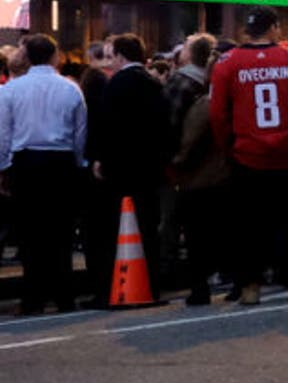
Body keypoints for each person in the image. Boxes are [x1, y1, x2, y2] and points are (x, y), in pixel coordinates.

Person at [211, 6, 288, 305]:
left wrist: (227, 148)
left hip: (248, 155)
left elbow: (219, 114)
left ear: (247, 31)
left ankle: (251, 288)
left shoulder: (228, 64)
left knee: (249, 227)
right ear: (274, 28)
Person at [0, 34, 88, 314]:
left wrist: (4, 167)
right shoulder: (71, 89)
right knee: (60, 232)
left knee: (29, 235)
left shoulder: (11, 90)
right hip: (61, 162)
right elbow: (80, 132)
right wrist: (77, 162)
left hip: (25, 162)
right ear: (54, 56)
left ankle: (32, 298)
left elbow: (4, 133)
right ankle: (64, 296)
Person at [86, 34, 173, 306]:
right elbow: (164, 127)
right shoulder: (153, 83)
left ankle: (118, 286)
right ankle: (151, 286)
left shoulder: (116, 85)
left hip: (121, 171)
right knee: (148, 228)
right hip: (150, 169)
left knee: (117, 230)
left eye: (112, 56)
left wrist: (100, 159)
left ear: (122, 56)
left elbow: (107, 126)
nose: (109, 62)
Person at [168, 33, 231, 305]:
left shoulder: (205, 104)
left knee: (197, 235)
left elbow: (188, 141)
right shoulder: (226, 102)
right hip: (223, 174)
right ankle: (232, 278)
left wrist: (175, 163)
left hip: (200, 178)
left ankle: (200, 287)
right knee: (220, 230)